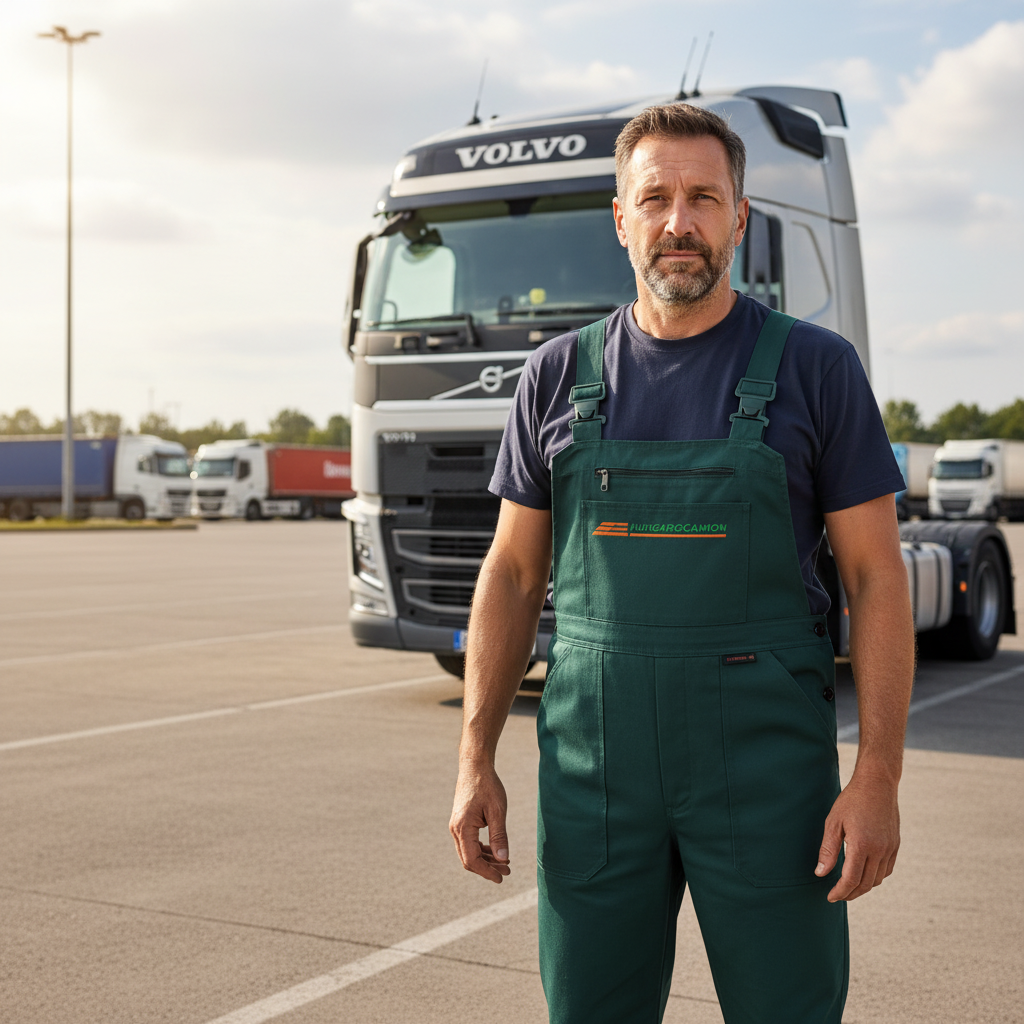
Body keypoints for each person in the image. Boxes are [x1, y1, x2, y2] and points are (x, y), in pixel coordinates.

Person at [449, 102, 914, 1023]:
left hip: (768, 771)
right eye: (655, 197)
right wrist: (475, 757)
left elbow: (876, 578)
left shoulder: (818, 369)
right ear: (620, 219)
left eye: (703, 197)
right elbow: (511, 575)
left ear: (740, 217)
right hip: (594, 769)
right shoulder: (556, 375)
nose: (678, 221)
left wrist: (878, 779)